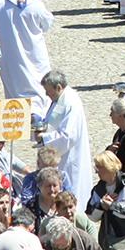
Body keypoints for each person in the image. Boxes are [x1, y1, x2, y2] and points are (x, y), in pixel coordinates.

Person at [37, 70, 92, 212]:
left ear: (59, 87)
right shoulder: (59, 99)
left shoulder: (71, 103)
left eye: (49, 91)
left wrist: (44, 138)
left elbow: (68, 136)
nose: (46, 95)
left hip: (68, 157)